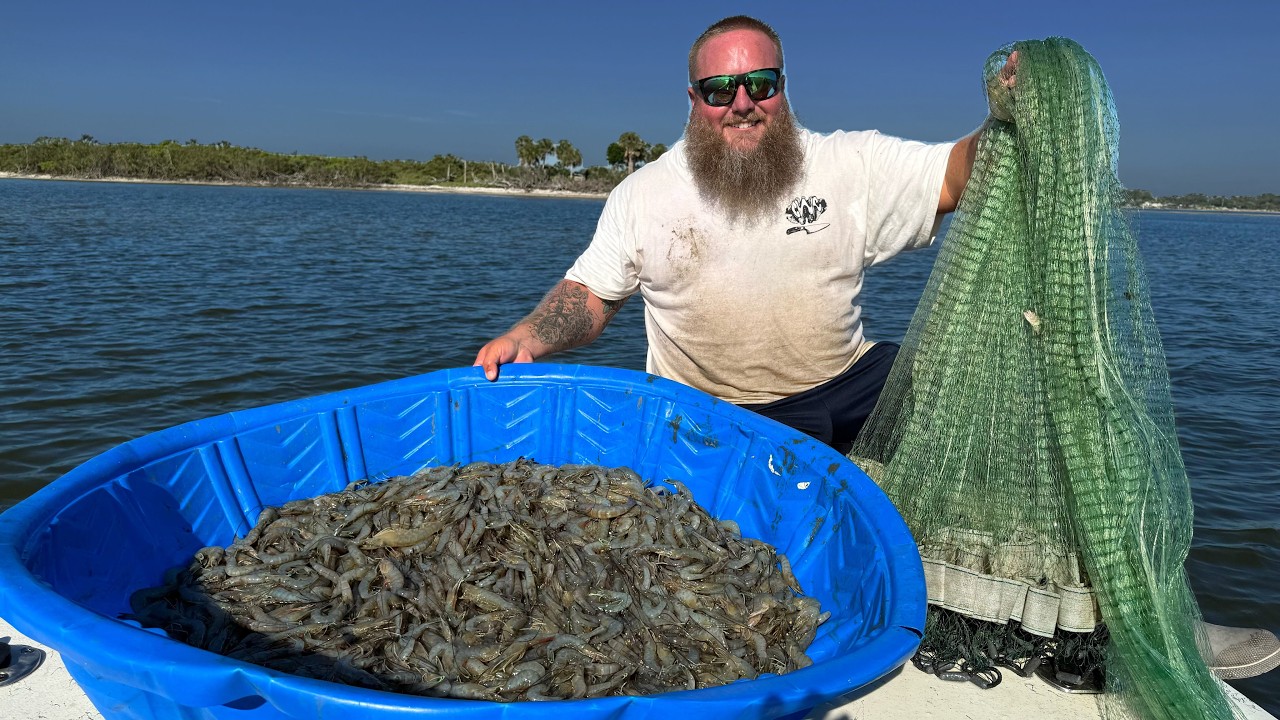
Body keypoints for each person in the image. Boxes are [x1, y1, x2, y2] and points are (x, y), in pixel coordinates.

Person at [474, 15, 994, 453]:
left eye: (761, 83)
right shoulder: (643, 194)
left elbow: (952, 174)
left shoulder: (849, 162)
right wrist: (526, 338)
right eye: (720, 90)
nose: (742, 103)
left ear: (783, 87)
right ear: (694, 99)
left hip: (847, 386)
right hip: (714, 411)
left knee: (948, 387)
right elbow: (591, 295)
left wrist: (1013, 110)